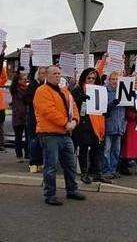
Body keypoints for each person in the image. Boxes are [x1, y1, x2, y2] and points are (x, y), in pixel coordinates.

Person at [34, 65, 85, 205]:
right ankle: (50, 194)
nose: (58, 76)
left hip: (65, 133)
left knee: (70, 164)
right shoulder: (42, 91)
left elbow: (73, 107)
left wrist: (74, 120)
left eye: (59, 73)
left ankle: (72, 190)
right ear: (47, 76)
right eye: (54, 73)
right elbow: (48, 111)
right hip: (49, 134)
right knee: (51, 166)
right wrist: (66, 123)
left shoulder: (64, 91)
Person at [72, 68, 111, 184]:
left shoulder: (99, 90)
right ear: (84, 78)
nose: (91, 80)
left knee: (98, 149)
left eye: (93, 78)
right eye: (89, 78)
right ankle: (84, 173)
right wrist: (80, 100)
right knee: (83, 149)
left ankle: (97, 173)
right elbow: (72, 106)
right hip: (83, 124)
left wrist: (109, 107)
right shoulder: (78, 90)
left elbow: (103, 109)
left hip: (97, 124)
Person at [102, 71, 126, 179]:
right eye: (112, 79)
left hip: (119, 126)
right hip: (108, 125)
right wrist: (112, 104)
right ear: (109, 80)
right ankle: (106, 170)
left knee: (116, 150)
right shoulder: (105, 92)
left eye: (116, 79)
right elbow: (103, 109)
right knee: (106, 150)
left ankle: (113, 169)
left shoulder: (123, 93)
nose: (114, 82)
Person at [24, 67, 46, 172]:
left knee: (41, 141)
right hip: (34, 118)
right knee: (33, 141)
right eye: (42, 73)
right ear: (38, 74)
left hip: (43, 119)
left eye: (45, 73)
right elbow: (26, 99)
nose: (44, 75)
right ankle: (33, 163)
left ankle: (40, 162)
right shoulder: (33, 85)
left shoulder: (46, 86)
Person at [10, 70, 28, 162]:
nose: (25, 81)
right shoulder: (15, 89)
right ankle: (19, 156)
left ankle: (27, 154)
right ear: (19, 81)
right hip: (18, 117)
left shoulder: (26, 89)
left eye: (26, 79)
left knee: (27, 137)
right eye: (24, 79)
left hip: (25, 116)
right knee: (18, 137)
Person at [0, 42, 8, 153]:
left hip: (0, 108)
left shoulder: (1, 82)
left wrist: (2, 51)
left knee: (0, 127)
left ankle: (1, 144)